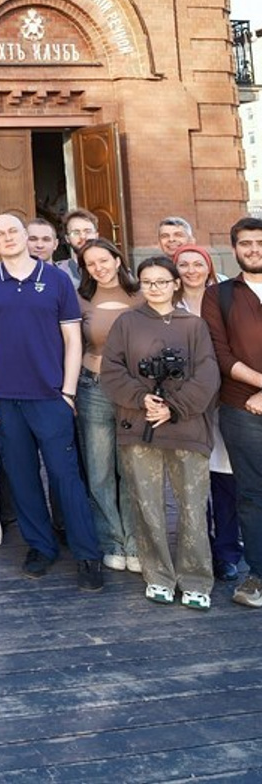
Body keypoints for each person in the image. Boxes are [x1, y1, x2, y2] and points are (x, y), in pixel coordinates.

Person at [0, 213, 104, 590]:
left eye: (13, 231)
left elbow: (73, 340)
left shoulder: (56, 279)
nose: (7, 238)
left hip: (51, 396)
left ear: (27, 236)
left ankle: (87, 554)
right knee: (22, 478)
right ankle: (41, 547)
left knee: (65, 476)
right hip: (5, 398)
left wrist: (68, 392)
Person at [99, 256, 219, 609]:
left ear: (175, 284)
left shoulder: (194, 325)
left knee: (192, 507)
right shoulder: (127, 322)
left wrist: (174, 407)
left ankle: (196, 579)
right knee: (147, 504)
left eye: (162, 281)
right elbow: (112, 370)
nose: (155, 288)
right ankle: (158, 576)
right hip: (139, 426)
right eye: (148, 282)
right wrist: (141, 399)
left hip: (186, 426)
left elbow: (207, 373)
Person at [174, 244, 244, 583]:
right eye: (183, 264)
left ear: (209, 266)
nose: (190, 270)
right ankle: (199, 547)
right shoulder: (170, 304)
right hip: (186, 404)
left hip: (224, 399)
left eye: (197, 263)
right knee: (192, 481)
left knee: (224, 476)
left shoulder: (225, 299)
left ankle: (227, 552)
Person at [202, 217, 262, 609]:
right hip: (242, 407)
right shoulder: (219, 295)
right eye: (246, 244)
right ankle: (257, 575)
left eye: (260, 242)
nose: (254, 249)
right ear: (234, 248)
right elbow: (220, 354)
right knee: (252, 493)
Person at [76, 238, 143, 572]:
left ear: (117, 259)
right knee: (99, 469)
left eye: (104, 260)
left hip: (134, 391)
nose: (98, 268)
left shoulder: (141, 294)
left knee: (130, 467)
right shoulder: (81, 298)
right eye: (91, 264)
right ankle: (111, 541)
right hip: (93, 386)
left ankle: (135, 542)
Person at [61, 209, 100, 287]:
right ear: (67, 239)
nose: (82, 237)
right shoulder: (59, 272)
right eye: (76, 232)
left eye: (88, 231)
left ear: (96, 235)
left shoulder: (114, 268)